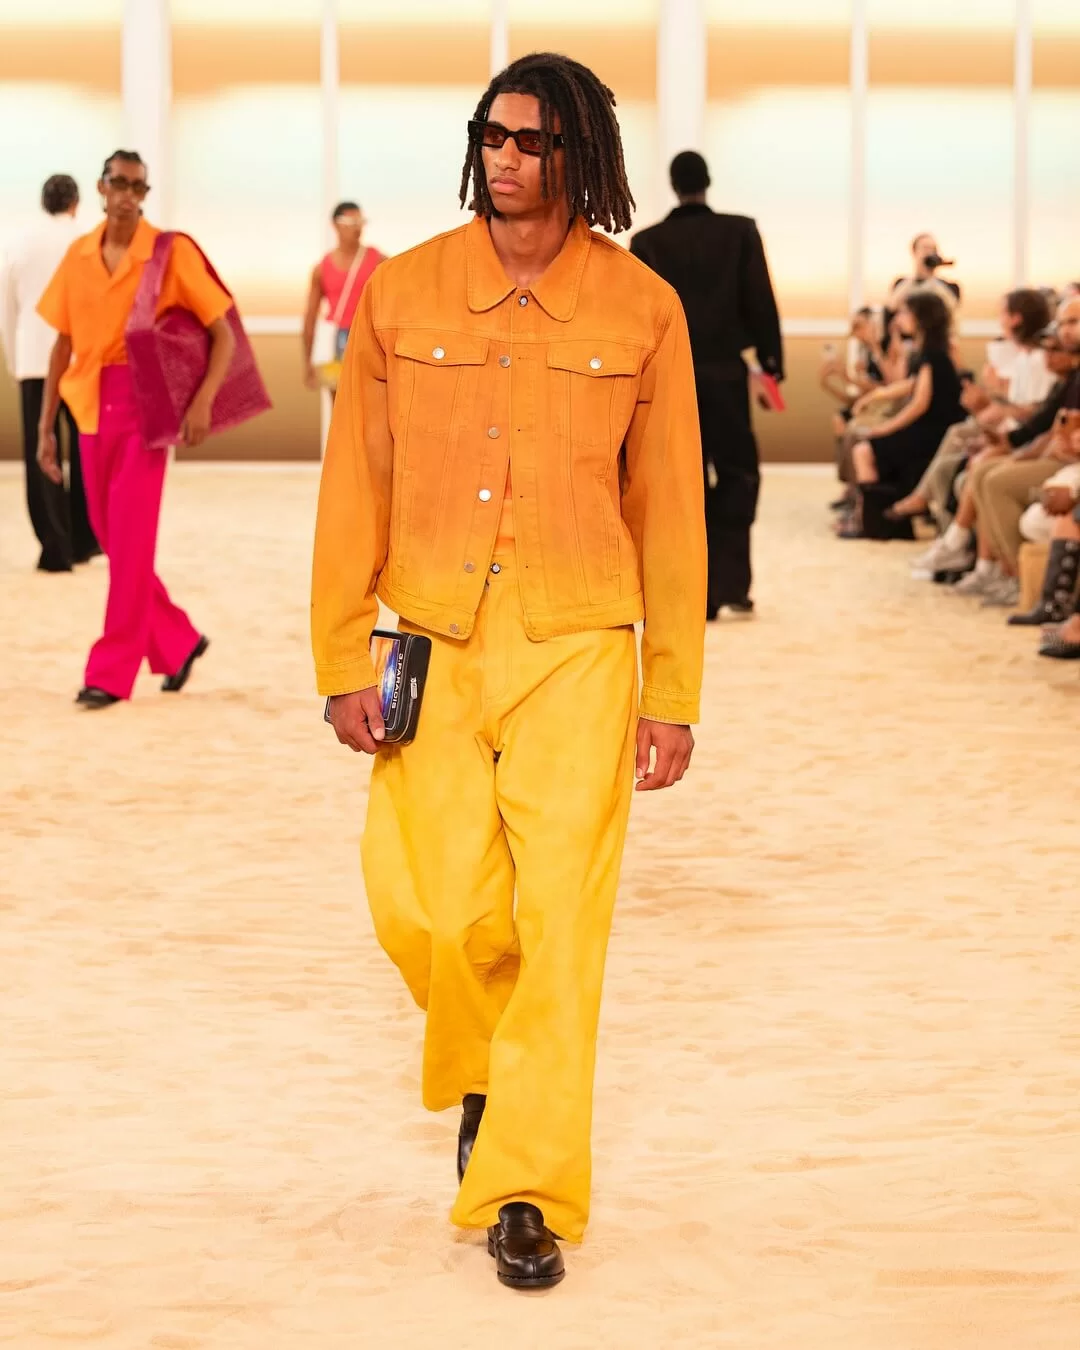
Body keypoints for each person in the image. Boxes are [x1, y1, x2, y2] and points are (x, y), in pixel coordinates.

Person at [311, 52, 705, 1291]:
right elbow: (354, 481)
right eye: (493, 134)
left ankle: (524, 1183)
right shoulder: (404, 292)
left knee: (562, 923)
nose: (506, 158)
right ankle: (488, 1071)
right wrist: (340, 653)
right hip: (431, 634)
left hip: (580, 644)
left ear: (583, 158)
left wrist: (672, 692)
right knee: (431, 910)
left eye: (533, 141)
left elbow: (669, 512)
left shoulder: (642, 308)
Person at [36, 150, 236, 709]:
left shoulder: (169, 253)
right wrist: (45, 427)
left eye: (138, 187)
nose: (127, 194)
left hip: (146, 408)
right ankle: (179, 640)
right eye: (118, 183)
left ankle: (110, 671)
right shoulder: (78, 255)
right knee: (113, 539)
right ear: (101, 188)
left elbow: (222, 333)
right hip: (87, 406)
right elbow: (62, 344)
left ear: (145, 194)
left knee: (129, 541)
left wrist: (202, 403)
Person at [629, 149, 782, 620]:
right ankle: (733, 585)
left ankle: (693, 588)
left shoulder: (648, 243)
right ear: (708, 181)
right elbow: (760, 299)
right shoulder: (740, 232)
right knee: (738, 474)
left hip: (671, 381)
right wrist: (771, 366)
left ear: (673, 185)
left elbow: (637, 317)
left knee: (682, 481)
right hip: (725, 375)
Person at [889, 287, 1055, 531]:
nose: (998, 319)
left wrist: (990, 403)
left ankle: (941, 523)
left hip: (1022, 437)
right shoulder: (1024, 358)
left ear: (1016, 318)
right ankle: (945, 529)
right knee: (954, 451)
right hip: (1010, 431)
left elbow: (1036, 415)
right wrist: (990, 400)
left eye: (1002, 313)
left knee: (958, 457)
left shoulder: (1040, 360)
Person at [0, 173, 97, 572]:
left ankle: (54, 546)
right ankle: (84, 541)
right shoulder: (88, 242)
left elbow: (7, 309)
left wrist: (15, 360)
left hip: (34, 361)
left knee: (41, 452)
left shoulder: (20, 242)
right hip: (80, 359)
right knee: (86, 449)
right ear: (75, 203)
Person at [845, 291, 965, 537]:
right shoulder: (928, 352)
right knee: (866, 445)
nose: (898, 318)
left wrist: (884, 429)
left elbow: (918, 404)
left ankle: (874, 523)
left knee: (864, 451)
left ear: (921, 318)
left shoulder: (934, 355)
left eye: (904, 313)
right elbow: (910, 386)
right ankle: (869, 518)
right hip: (928, 429)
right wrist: (875, 397)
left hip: (932, 432)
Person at [301, 200, 385, 390]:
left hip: (369, 337)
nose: (357, 228)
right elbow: (310, 316)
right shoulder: (322, 269)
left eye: (360, 222)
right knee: (338, 398)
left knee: (370, 395)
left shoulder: (378, 261)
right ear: (336, 225)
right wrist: (307, 362)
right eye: (351, 222)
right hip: (336, 339)